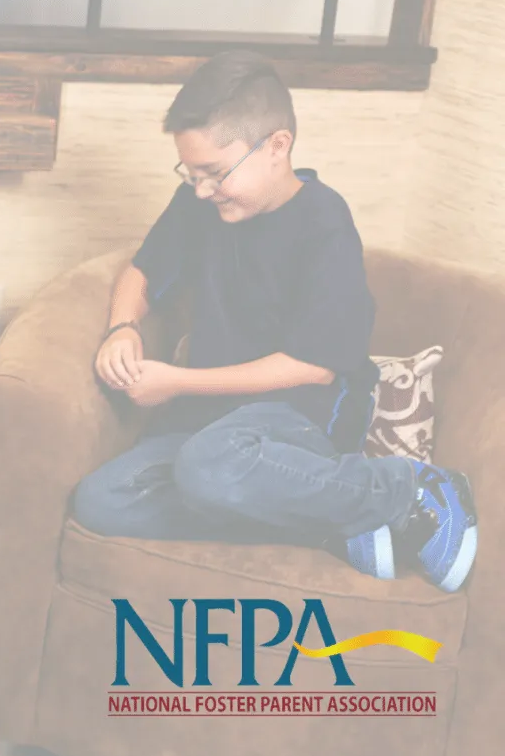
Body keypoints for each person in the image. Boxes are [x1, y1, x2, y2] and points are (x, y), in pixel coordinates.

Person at [70, 50, 477, 594]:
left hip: (300, 424)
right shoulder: (200, 206)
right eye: (189, 174)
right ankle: (329, 517)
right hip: (209, 432)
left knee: (209, 468)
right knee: (102, 500)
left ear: (277, 147)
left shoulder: (324, 222)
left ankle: (407, 490)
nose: (201, 190)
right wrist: (123, 326)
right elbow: (142, 271)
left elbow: (313, 369)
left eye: (214, 173)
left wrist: (175, 382)